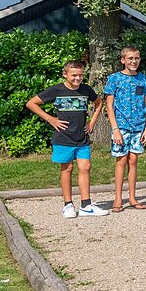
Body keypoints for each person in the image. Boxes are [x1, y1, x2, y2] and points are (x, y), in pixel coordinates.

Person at [26, 60, 106, 218]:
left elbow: (98, 103)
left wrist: (92, 121)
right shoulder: (56, 89)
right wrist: (51, 119)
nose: (77, 78)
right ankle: (68, 204)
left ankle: (86, 204)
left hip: (81, 138)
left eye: (80, 75)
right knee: (67, 168)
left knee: (85, 167)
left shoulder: (86, 89)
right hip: (63, 137)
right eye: (74, 75)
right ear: (65, 74)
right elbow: (31, 103)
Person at [104, 45, 146, 212]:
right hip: (121, 127)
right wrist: (115, 129)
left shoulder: (143, 79)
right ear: (123, 60)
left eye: (136, 58)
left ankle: (132, 198)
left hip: (138, 126)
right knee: (121, 161)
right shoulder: (114, 79)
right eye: (130, 58)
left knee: (133, 161)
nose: (134, 61)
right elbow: (109, 106)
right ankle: (118, 198)